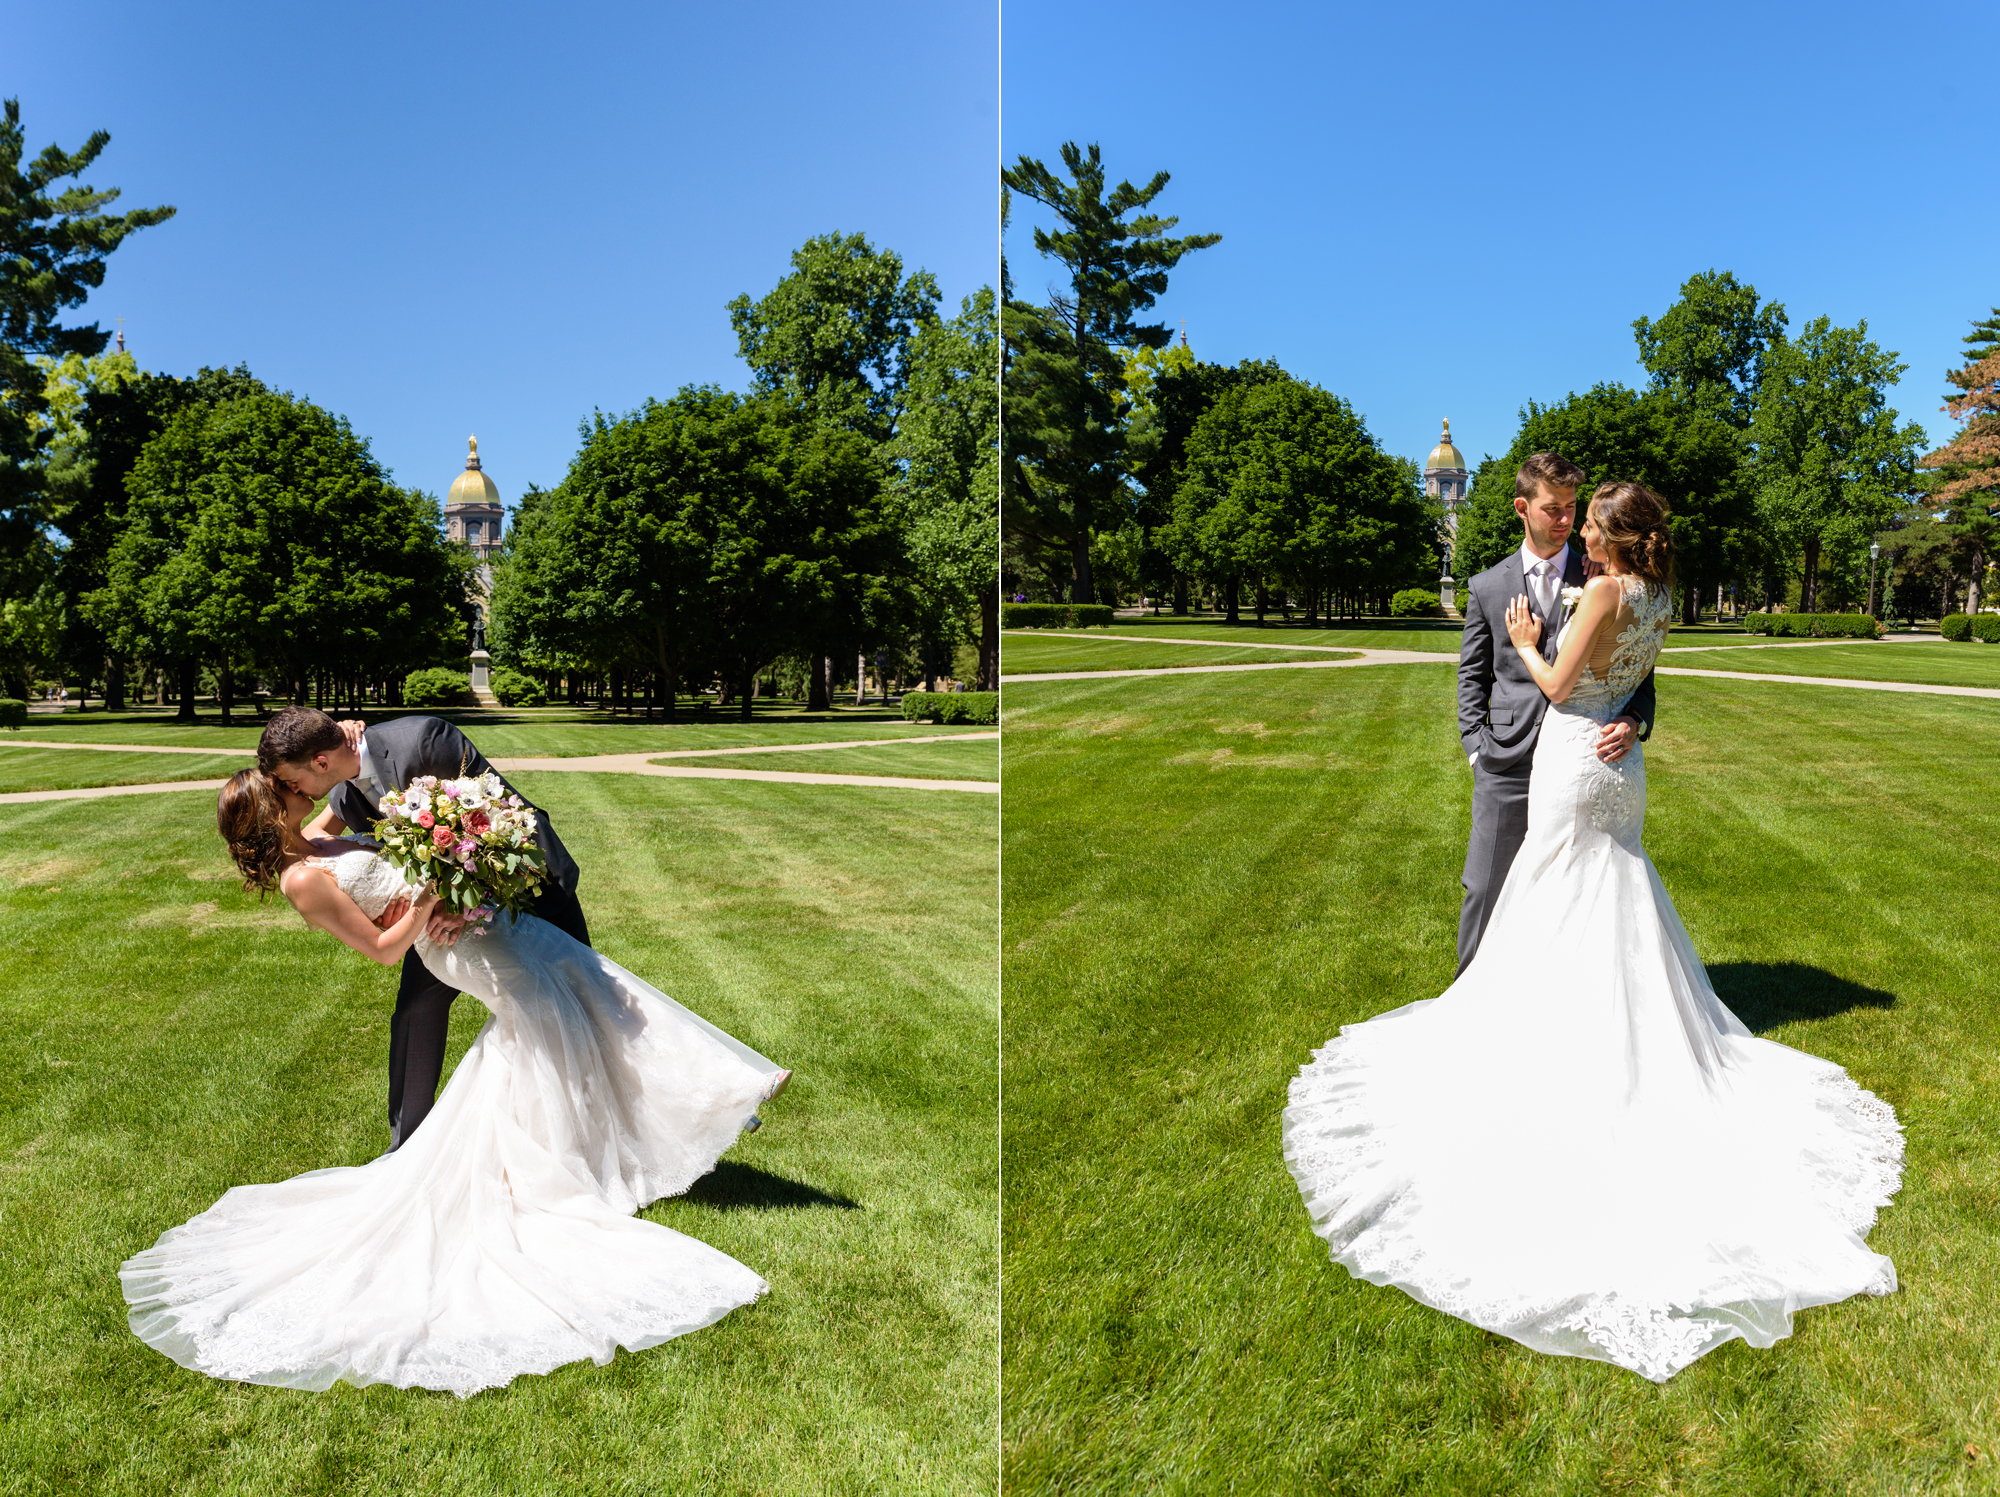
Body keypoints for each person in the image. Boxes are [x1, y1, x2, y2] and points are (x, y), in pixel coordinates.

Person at [1283, 481, 1903, 1382]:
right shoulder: (1660, 595)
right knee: (1609, 898)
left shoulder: (1606, 589)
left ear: (1611, 535)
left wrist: (1534, 646)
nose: (1580, 534)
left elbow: (1564, 682)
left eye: (1592, 523)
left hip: (1579, 756)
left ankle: (1551, 1058)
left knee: (1556, 894)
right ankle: (1598, 1035)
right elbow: (1613, 665)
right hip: (1619, 775)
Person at [120, 767, 791, 1396]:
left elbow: (396, 853)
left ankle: (716, 1088)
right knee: (549, 1023)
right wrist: (432, 898)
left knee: (585, 983)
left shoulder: (320, 834)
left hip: (480, 923)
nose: (298, 788)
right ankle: (590, 1150)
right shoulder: (301, 878)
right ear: (270, 815)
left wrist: (453, 851)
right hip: (451, 946)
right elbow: (382, 948)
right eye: (284, 790)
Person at [256, 706, 590, 1149]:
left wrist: (463, 897)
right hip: (437, 924)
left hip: (532, 885)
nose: (286, 788)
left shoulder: (425, 741)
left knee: (585, 1000)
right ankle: (406, 1145)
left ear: (320, 761)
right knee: (416, 1010)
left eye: (288, 779)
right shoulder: (343, 797)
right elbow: (315, 854)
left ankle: (599, 1127)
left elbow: (503, 820)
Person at [1453, 452, 1655, 974]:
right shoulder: (1487, 586)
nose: (1565, 519)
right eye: (1552, 508)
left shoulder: (1603, 576)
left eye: (1572, 508)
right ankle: (1470, 996)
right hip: (1509, 762)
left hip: (1578, 762)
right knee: (1488, 887)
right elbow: (1472, 678)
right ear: (1522, 507)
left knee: (1576, 892)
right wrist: (1479, 748)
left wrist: (1633, 719)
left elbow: (1639, 668)